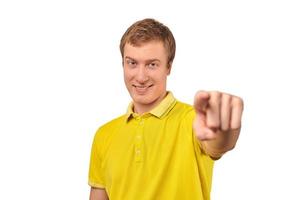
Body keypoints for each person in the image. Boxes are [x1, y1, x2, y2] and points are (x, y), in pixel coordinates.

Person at [88, 18, 244, 200]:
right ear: (122, 63)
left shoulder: (193, 120)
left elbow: (218, 144)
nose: (140, 76)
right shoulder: (104, 135)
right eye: (132, 63)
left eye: (152, 64)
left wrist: (226, 132)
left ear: (168, 67)